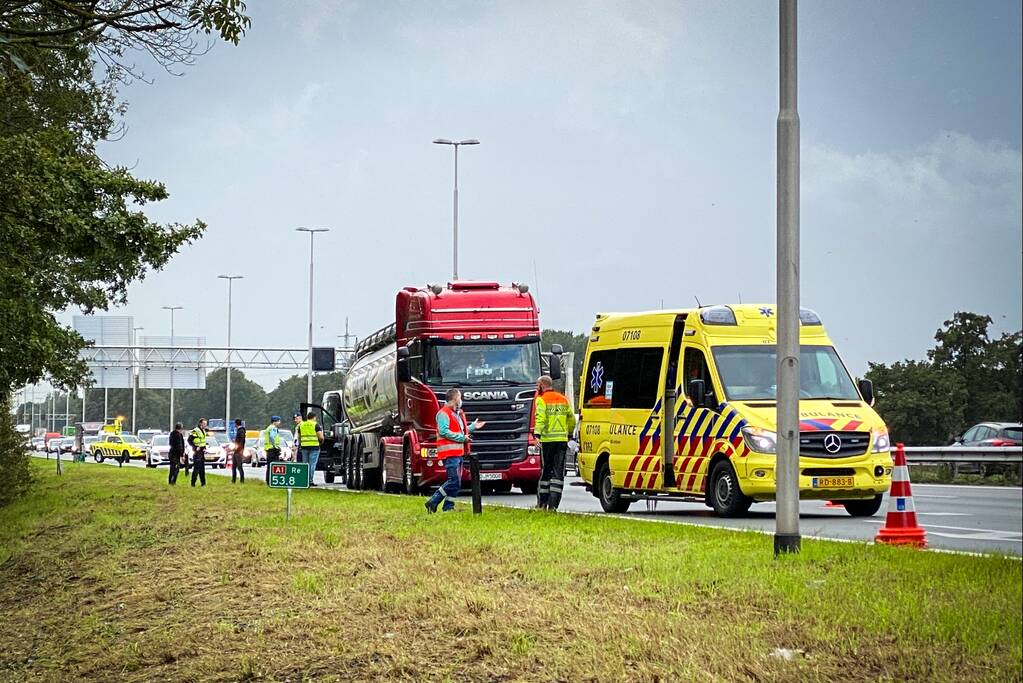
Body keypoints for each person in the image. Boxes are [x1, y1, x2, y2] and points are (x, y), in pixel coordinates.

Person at [425, 388, 485, 513]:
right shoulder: (443, 413)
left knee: (456, 483)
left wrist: (472, 427)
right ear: (455, 399)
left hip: (458, 453)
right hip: (450, 453)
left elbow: (459, 431)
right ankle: (433, 501)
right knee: (453, 481)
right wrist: (462, 438)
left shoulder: (456, 414)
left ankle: (448, 507)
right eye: (460, 397)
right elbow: (444, 431)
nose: (461, 400)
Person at [534, 375, 576, 510]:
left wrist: (537, 435)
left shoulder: (541, 400)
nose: (536, 388)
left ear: (542, 385)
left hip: (547, 441)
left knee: (546, 472)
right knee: (558, 474)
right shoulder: (563, 399)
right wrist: (569, 433)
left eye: (537, 385)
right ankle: (553, 506)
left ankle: (542, 504)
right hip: (562, 441)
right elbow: (571, 420)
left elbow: (540, 418)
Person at [297, 411, 324, 486]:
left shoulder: (301, 425)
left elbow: (299, 437)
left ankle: (304, 480)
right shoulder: (316, 425)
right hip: (314, 447)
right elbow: (320, 437)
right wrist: (321, 442)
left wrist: (300, 444)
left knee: (305, 464)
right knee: (312, 464)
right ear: (314, 417)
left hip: (304, 446)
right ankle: (310, 481)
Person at [189, 417, 209, 487]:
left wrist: (205, 447)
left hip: (202, 451)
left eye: (206, 424)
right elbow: (189, 440)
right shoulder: (195, 430)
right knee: (196, 469)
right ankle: (193, 483)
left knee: (202, 469)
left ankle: (203, 483)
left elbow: (202, 441)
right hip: (197, 452)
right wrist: (195, 447)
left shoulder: (203, 431)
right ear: (200, 423)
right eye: (204, 424)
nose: (205, 425)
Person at [263, 415, 282, 486]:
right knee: (274, 466)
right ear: (275, 422)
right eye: (279, 421)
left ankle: (268, 480)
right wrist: (275, 446)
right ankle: (272, 481)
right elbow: (271, 437)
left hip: (269, 449)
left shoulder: (268, 428)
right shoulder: (273, 428)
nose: (279, 423)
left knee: (269, 466)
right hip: (273, 449)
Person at [231, 419, 246, 484]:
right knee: (234, 466)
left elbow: (242, 441)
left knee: (239, 466)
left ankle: (242, 480)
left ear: (236, 424)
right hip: (236, 450)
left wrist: (238, 448)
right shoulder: (239, 430)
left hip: (239, 451)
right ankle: (233, 480)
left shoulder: (241, 430)